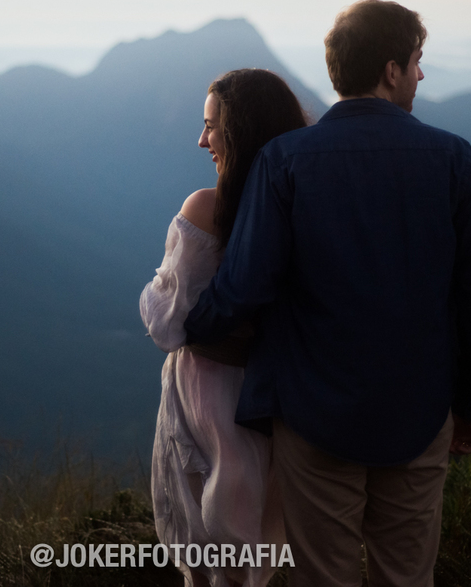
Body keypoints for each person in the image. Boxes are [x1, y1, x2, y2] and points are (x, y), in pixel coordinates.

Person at [183, 0, 471, 587]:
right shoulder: (453, 159)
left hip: (312, 413)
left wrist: (189, 328)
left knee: (322, 577)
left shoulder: (284, 161)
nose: (421, 75)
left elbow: (246, 285)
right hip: (420, 409)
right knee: (406, 577)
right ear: (391, 69)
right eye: (417, 61)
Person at [141, 68, 308, 587]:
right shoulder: (305, 205)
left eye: (211, 126)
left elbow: (166, 324)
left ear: (240, 132)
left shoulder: (206, 209)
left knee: (212, 549)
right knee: (263, 533)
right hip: (280, 393)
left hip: (207, 394)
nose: (201, 139)